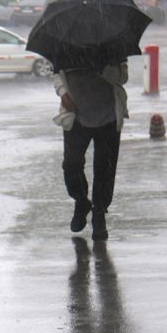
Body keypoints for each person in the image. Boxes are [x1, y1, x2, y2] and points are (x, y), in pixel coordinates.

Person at [54, 60, 130, 240]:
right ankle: (81, 201)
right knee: (72, 165)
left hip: (108, 115)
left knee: (105, 168)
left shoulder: (112, 46)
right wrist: (63, 93)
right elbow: (56, 71)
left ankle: (99, 214)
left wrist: (103, 69)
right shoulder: (67, 43)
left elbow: (123, 77)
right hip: (76, 115)